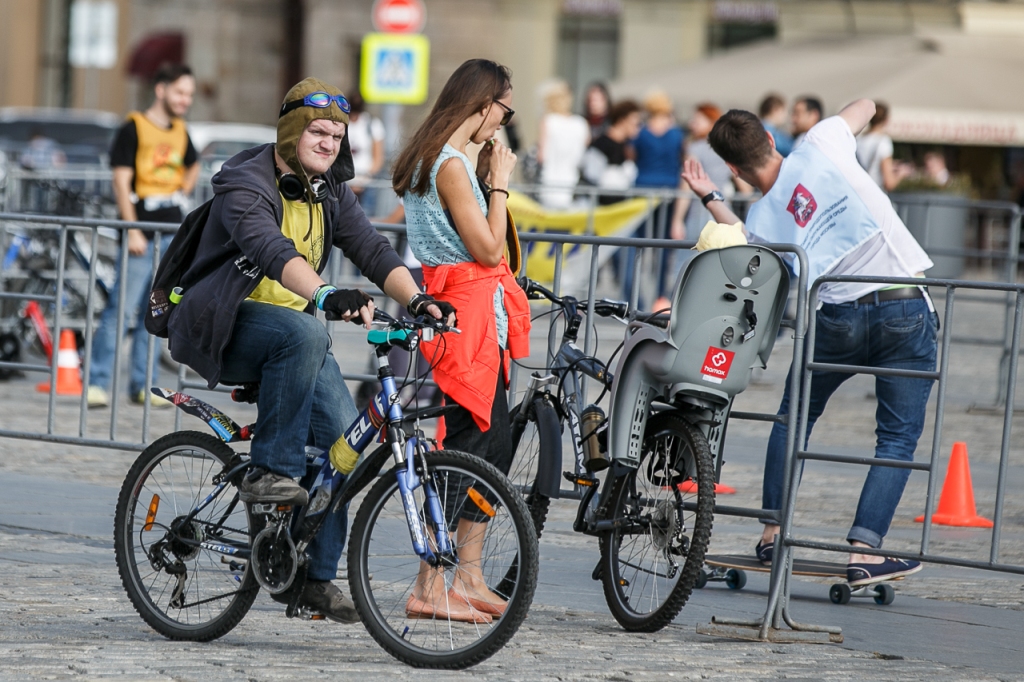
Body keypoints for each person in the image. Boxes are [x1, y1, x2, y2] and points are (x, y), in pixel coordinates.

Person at [166, 76, 454, 622]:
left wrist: (419, 300)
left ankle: (313, 579)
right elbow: (268, 248)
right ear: (292, 131)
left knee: (344, 442)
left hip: (291, 338)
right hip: (226, 324)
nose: (328, 144)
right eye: (317, 132)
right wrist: (325, 292)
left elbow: (370, 248)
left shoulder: (329, 189)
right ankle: (266, 472)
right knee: (306, 332)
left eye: (336, 136)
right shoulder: (246, 182)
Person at [682, 100, 936, 588]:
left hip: (834, 318)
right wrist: (855, 114)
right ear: (771, 139)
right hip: (902, 304)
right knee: (897, 438)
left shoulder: (762, 217)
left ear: (734, 168)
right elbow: (866, 105)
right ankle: (865, 551)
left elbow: (739, 238)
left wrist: (709, 194)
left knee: (793, 417)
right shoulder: (820, 142)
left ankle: (772, 531)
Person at [393, 58, 531, 623]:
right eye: (503, 109)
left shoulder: (442, 158)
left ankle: (468, 574)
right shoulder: (450, 164)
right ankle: (430, 583)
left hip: (475, 315)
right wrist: (499, 183)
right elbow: (490, 250)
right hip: (466, 316)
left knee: (492, 444)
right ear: (480, 103)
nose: (503, 123)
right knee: (471, 449)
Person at [87, 64, 199, 408]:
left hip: (171, 232)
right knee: (121, 310)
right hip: (141, 230)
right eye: (181, 92)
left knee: (158, 309)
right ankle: (98, 381)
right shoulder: (133, 128)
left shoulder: (181, 131)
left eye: (190, 95)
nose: (186, 100)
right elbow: (121, 181)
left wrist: (186, 184)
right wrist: (132, 228)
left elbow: (193, 163)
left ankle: (143, 384)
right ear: (161, 90)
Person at [633, 90, 685, 306]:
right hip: (669, 192)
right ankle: (660, 297)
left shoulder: (642, 133)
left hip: (642, 191)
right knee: (664, 248)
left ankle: (637, 297)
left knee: (639, 246)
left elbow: (635, 156)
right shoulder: (676, 134)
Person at [537, 79, 589, 210]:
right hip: (573, 184)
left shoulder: (548, 121)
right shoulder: (581, 123)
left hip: (550, 184)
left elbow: (541, 156)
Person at [580, 99, 641, 205]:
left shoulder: (627, 147)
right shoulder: (602, 144)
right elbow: (591, 177)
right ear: (622, 120)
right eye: (635, 123)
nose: (638, 128)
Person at [856, 102, 911, 192]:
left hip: (858, 192)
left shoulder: (858, 140)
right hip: (875, 194)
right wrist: (901, 174)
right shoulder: (883, 141)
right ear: (886, 119)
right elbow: (889, 183)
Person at [346, 92, 385, 211]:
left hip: (367, 183)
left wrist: (363, 180)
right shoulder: (341, 123)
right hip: (344, 182)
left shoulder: (372, 124)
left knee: (366, 217)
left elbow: (378, 157)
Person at [759, 93, 793, 158]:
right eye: (784, 111)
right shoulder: (773, 133)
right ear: (776, 110)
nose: (786, 115)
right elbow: (789, 150)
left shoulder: (755, 127)